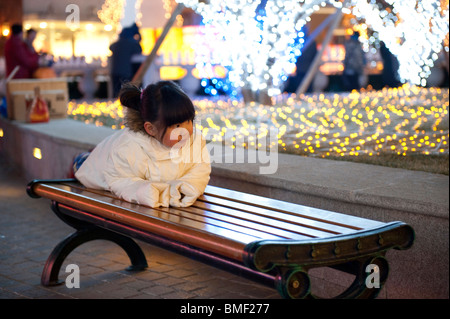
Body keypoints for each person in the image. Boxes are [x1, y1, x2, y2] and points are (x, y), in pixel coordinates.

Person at [74, 81, 211, 208]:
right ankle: (81, 158)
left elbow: (200, 170)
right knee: (84, 164)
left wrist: (187, 186)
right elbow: (118, 179)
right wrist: (143, 190)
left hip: (111, 156)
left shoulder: (195, 141)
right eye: (177, 125)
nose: (186, 130)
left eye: (189, 121)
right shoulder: (128, 148)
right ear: (151, 129)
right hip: (99, 166)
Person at [109, 26, 142, 97]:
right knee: (125, 94)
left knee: (116, 93)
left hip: (115, 72)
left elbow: (110, 47)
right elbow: (139, 50)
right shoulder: (131, 44)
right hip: (125, 72)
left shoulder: (116, 44)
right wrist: (138, 39)